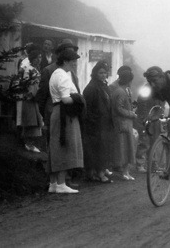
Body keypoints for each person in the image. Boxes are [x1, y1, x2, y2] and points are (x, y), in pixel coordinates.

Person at [48, 49, 84, 194]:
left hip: (58, 112)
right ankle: (61, 183)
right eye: (72, 61)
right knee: (64, 145)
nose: (74, 64)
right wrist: (79, 98)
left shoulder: (57, 74)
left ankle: (53, 183)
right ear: (65, 61)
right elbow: (65, 99)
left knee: (56, 145)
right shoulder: (62, 76)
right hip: (64, 113)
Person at [37, 39, 79, 140]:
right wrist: (46, 115)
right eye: (68, 51)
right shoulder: (49, 70)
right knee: (55, 144)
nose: (72, 55)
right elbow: (42, 96)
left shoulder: (72, 71)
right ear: (61, 53)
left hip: (70, 115)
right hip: (55, 114)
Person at [82, 60, 113, 183]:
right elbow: (88, 108)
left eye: (105, 73)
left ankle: (95, 173)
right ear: (95, 74)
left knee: (101, 149)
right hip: (95, 124)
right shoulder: (91, 88)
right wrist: (94, 121)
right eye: (100, 73)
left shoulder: (104, 86)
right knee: (96, 150)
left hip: (104, 124)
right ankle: (98, 174)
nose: (103, 75)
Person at [109, 66, 138, 181]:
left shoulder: (121, 90)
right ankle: (125, 172)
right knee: (126, 149)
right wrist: (132, 114)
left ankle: (126, 172)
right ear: (128, 80)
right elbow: (118, 108)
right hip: (123, 124)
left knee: (126, 148)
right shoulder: (121, 92)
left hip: (124, 124)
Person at [17, 49, 44, 153]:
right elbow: (25, 83)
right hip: (29, 98)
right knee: (30, 120)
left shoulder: (35, 68)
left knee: (34, 120)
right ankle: (28, 144)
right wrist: (30, 94)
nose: (40, 59)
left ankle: (30, 143)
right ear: (33, 59)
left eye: (41, 57)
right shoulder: (28, 68)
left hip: (34, 97)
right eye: (38, 57)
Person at [134, 84, 164, 173]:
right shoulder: (146, 89)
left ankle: (153, 165)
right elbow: (142, 104)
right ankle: (140, 164)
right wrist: (144, 118)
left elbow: (162, 105)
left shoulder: (162, 89)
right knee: (144, 143)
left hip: (156, 120)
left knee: (154, 143)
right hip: (145, 120)